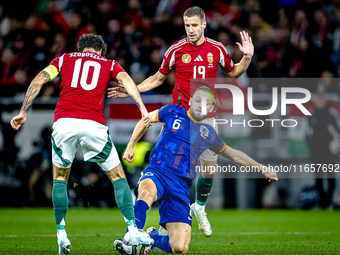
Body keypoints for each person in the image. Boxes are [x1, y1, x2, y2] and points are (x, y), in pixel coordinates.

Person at [108, 6, 254, 237]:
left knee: (208, 172)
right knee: (176, 170)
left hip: (207, 119)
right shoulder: (176, 49)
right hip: (180, 117)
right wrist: (132, 90)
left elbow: (234, 73)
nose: (191, 30)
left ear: (204, 24)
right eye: (187, 26)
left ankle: (199, 207)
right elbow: (157, 78)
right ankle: (167, 223)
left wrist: (246, 57)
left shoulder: (216, 49)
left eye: (195, 25)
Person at [10, 34, 153, 254]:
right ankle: (132, 229)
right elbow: (126, 81)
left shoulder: (64, 59)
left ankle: (61, 235)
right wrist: (142, 108)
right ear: (100, 52)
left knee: (59, 178)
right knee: (117, 176)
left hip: (64, 122)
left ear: (81, 49)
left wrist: (23, 111)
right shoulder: (108, 63)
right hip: (93, 123)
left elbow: (39, 79)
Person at [114, 87, 278, 254]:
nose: (201, 105)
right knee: (146, 194)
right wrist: (130, 145)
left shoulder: (209, 134)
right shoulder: (172, 110)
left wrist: (262, 168)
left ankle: (151, 238)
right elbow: (145, 120)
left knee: (180, 247)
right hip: (158, 171)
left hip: (180, 186)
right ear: (191, 101)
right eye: (198, 100)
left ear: (211, 110)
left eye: (207, 103)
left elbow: (235, 155)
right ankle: (130, 239)